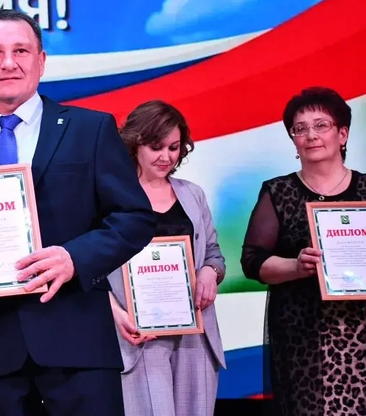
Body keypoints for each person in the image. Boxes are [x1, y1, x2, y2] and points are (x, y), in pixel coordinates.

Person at [0, 9, 157, 416]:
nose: (8, 63)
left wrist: (75, 257)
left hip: (79, 349)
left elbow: (135, 218)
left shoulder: (91, 130)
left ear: (41, 60)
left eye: (21, 51)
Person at [240, 86, 366, 415]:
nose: (311, 135)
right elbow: (252, 262)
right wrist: (296, 267)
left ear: (342, 134)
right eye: (300, 128)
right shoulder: (278, 191)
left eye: (321, 125)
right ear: (293, 140)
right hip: (301, 336)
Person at [107, 100, 226, 416]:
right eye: (156, 147)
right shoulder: (110, 197)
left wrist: (211, 271)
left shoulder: (192, 193)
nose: (166, 157)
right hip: (140, 336)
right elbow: (93, 268)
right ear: (135, 144)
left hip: (195, 334)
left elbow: (214, 254)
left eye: (174, 147)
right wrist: (115, 312)